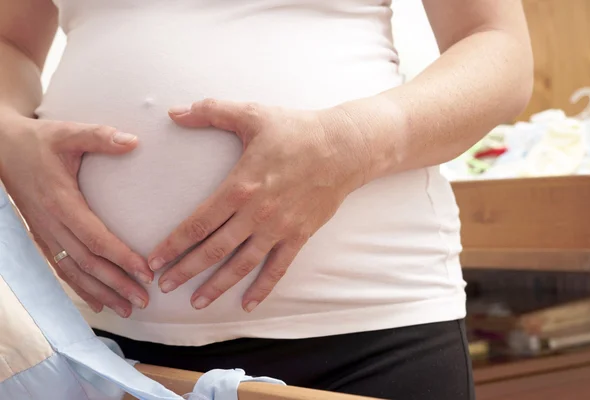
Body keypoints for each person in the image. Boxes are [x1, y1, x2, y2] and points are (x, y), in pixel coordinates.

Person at [0, 1, 532, 399]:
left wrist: (353, 140)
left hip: (367, 337)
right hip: (104, 346)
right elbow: (12, 46)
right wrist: (8, 136)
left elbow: (497, 46)